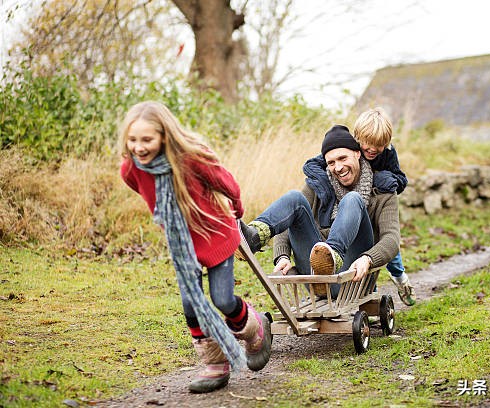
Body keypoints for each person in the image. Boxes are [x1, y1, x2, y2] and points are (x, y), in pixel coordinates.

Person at [118, 101, 271, 394]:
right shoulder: (131, 169)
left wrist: (236, 208)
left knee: (223, 299)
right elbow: (146, 191)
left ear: (164, 136)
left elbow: (226, 183)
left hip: (216, 234)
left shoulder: (189, 160)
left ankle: (256, 328)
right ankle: (215, 364)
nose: (139, 147)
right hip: (183, 244)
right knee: (190, 303)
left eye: (147, 140)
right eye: (133, 139)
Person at [240, 124, 401, 298]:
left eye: (342, 158)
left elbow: (392, 239)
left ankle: (333, 254)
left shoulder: (384, 190)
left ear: (357, 153)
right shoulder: (318, 185)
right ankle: (254, 236)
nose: (338, 167)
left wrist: (368, 259)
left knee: (353, 199)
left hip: (352, 277)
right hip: (316, 277)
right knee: (295, 198)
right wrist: (282, 256)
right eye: (331, 162)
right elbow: (286, 220)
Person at [299, 108, 416, 306]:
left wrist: (384, 180)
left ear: (386, 143)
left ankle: (400, 280)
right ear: (357, 139)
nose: (371, 149)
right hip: (354, 207)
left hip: (376, 206)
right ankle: (365, 291)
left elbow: (400, 179)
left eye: (378, 146)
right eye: (366, 144)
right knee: (359, 240)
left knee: (390, 252)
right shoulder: (347, 149)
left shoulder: (388, 154)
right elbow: (318, 162)